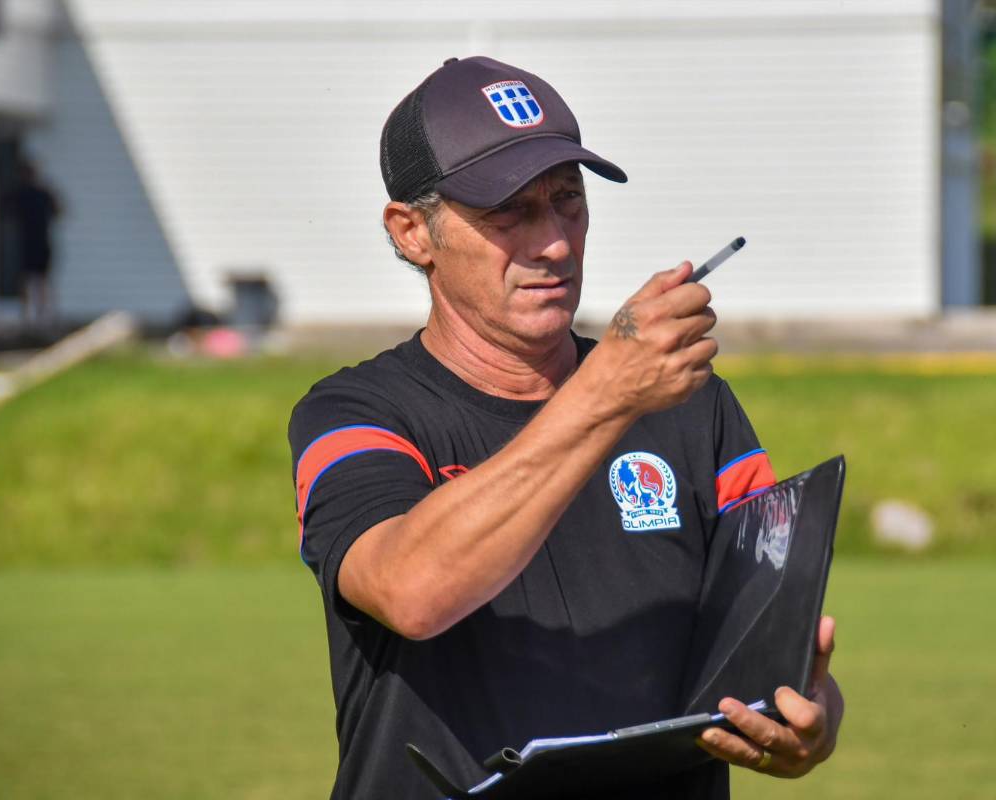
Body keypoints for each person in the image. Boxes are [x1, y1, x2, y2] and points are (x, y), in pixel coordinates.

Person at [288, 56, 843, 799]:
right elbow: (412, 591)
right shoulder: (353, 413)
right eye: (509, 212)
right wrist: (604, 393)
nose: (553, 242)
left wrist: (807, 718)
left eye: (568, 201)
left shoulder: (691, 403)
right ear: (413, 232)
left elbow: (765, 643)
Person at [13, 160, 61, 327]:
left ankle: (41, 316)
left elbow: (58, 211)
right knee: (30, 280)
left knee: (40, 280)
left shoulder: (40, 194)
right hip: (30, 242)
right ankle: (29, 317)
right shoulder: (23, 194)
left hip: (38, 242)